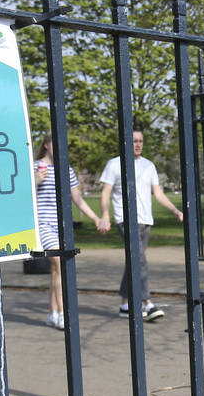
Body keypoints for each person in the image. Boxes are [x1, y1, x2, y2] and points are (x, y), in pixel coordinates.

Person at [98, 129, 184, 321]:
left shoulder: (149, 166)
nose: (138, 144)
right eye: (134, 140)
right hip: (126, 219)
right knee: (140, 260)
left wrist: (175, 210)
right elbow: (105, 192)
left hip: (146, 220)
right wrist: (105, 215)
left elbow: (158, 193)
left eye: (141, 141)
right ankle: (148, 303)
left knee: (134, 261)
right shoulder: (114, 164)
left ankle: (124, 304)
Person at [35, 133, 102, 330]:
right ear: (47, 145)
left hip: (62, 226)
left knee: (57, 269)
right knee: (60, 262)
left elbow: (78, 199)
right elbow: (22, 193)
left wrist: (96, 218)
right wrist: (37, 180)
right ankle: (63, 313)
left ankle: (52, 313)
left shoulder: (67, 170)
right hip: (43, 224)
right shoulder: (35, 167)